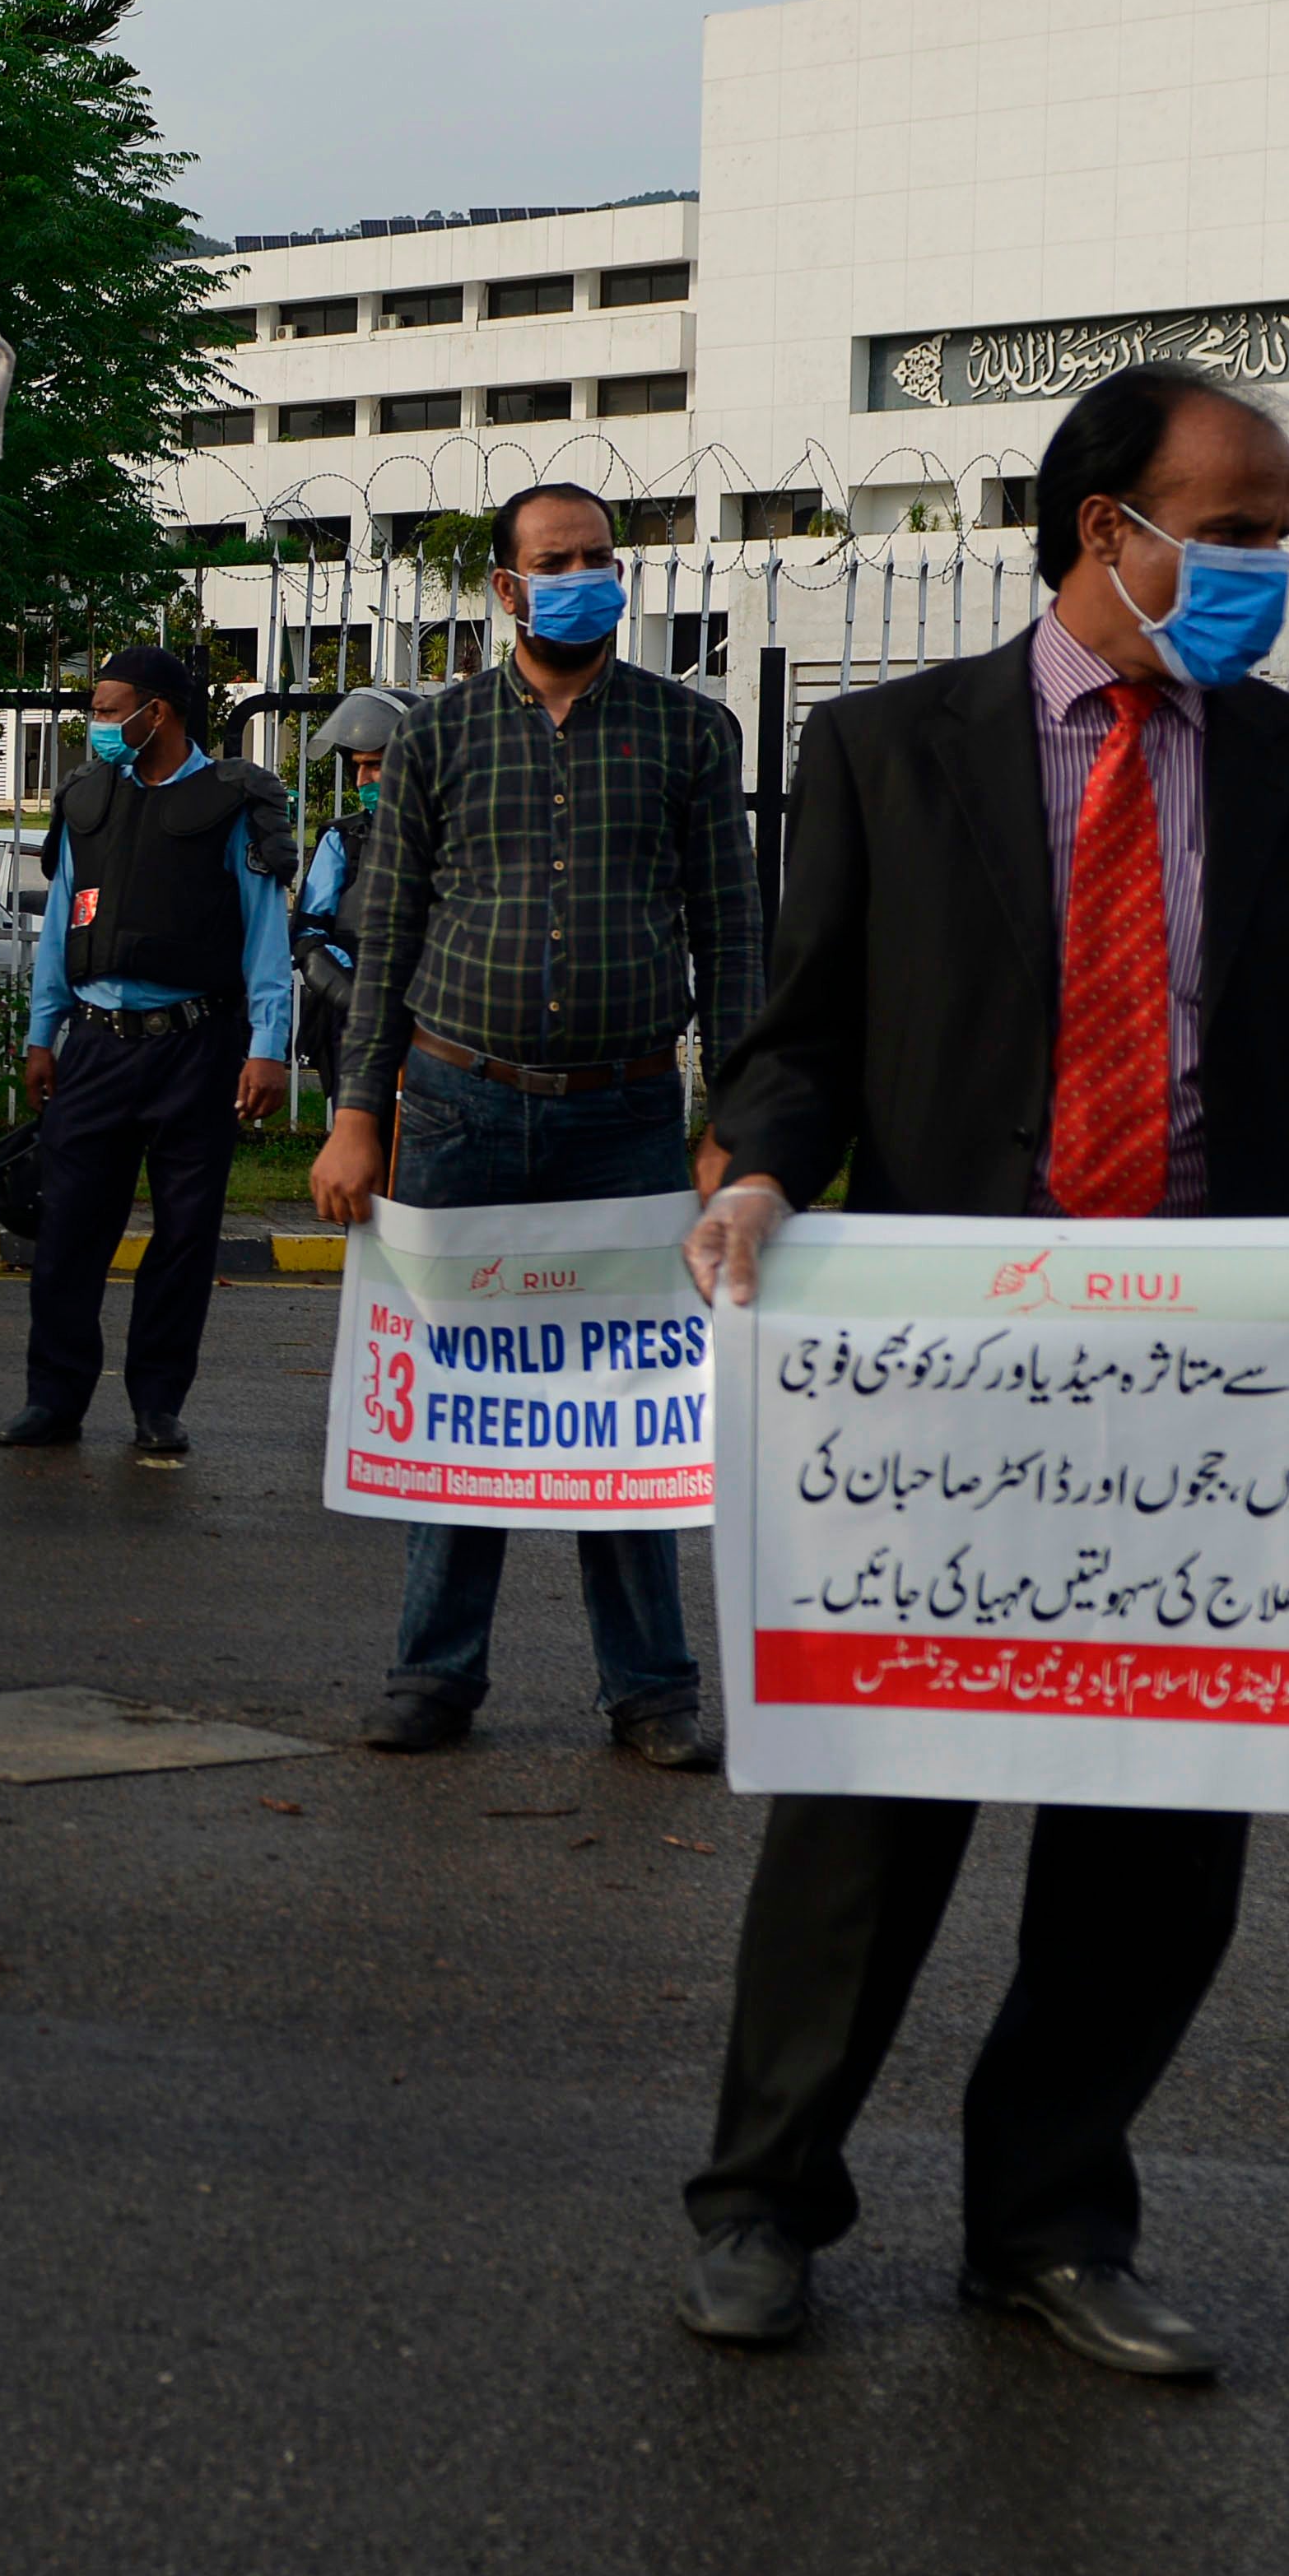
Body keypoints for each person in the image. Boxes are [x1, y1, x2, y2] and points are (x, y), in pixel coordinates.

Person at [672, 360, 1289, 2383]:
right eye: (1229, 527)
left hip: (1220, 1391)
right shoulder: (886, 751)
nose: (1262, 566)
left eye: (1281, 531)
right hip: (950, 1367)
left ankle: (1045, 2218)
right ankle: (763, 2194)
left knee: (1152, 1831)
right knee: (869, 1810)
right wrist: (759, 1161)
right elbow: (796, 1036)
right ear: (1095, 522)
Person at [309, 486, 765, 1765]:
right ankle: (433, 1677)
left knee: (628, 1418)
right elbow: (385, 934)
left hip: (624, 1115)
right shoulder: (439, 736)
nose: (582, 579)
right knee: (464, 1404)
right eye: (554, 563)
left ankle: (654, 1693)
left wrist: (730, 1121)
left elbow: (732, 933)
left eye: (599, 559)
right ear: (507, 588)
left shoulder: (688, 732)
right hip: (458, 1108)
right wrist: (358, 1115)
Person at [6, 647, 286, 1460]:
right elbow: (61, 925)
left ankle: (157, 1405)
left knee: (185, 1234)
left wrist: (267, 1046)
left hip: (197, 1044)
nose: (96, 723)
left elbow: (267, 932)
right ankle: (51, 1400)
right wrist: (41, 1033)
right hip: (95, 1044)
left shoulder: (231, 803)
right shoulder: (86, 800)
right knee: (66, 1233)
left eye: (106, 706)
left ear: (155, 711)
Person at [286, 685, 406, 1083]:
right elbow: (309, 935)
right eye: (357, 767)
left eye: (374, 765)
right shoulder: (344, 840)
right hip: (353, 1024)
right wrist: (358, 1003)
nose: (362, 780)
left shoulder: (455, 837)